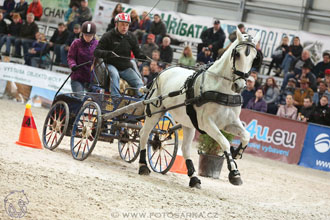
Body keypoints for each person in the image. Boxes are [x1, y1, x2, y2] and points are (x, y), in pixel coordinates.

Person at [94, 13, 146, 98]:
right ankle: (116, 99)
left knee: (138, 82)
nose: (124, 27)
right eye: (122, 24)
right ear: (116, 24)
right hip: (111, 65)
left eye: (126, 25)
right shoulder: (108, 35)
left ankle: (141, 101)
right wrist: (108, 54)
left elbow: (137, 53)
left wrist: (142, 57)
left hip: (125, 67)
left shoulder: (132, 37)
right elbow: (96, 52)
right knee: (114, 75)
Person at [67, 21, 98, 92]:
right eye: (85, 35)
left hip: (91, 79)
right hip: (78, 77)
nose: (87, 37)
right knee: (79, 98)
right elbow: (70, 57)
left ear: (93, 35)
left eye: (90, 35)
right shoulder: (76, 43)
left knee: (93, 101)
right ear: (82, 34)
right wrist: (73, 65)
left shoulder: (98, 44)